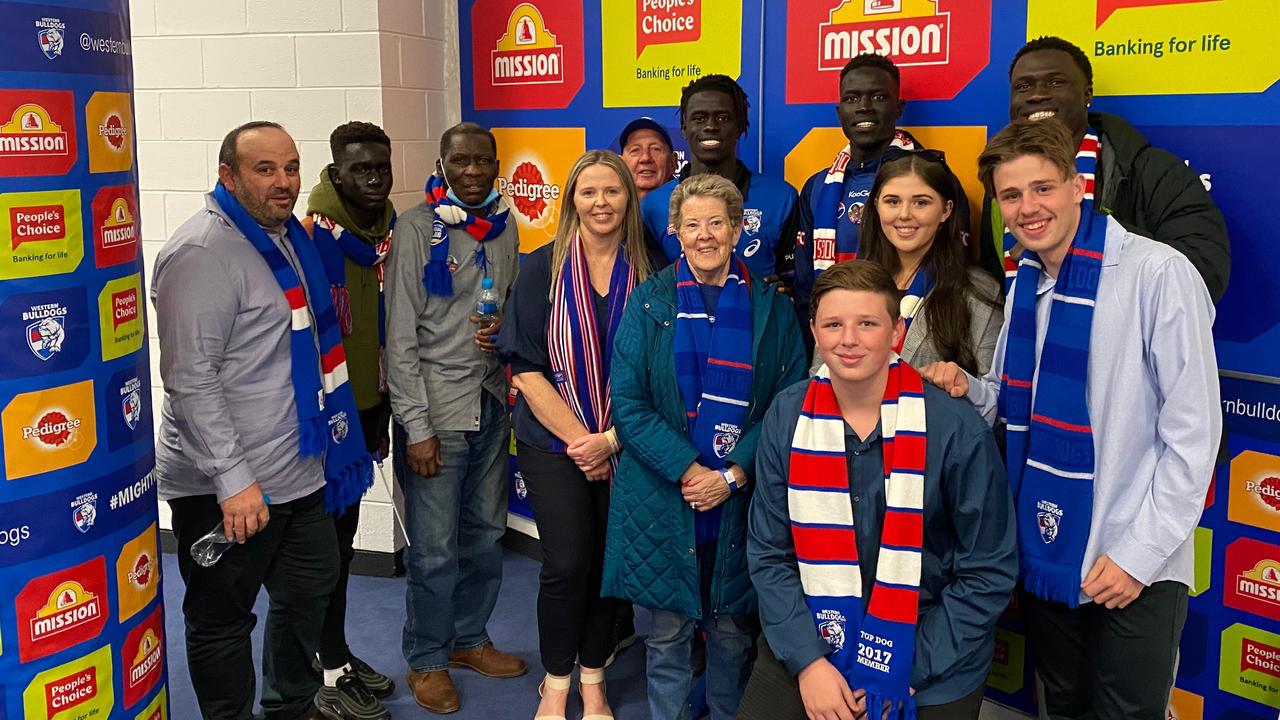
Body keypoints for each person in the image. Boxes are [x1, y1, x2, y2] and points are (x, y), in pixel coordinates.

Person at [922, 119, 1219, 719]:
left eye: (1043, 188)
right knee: (1062, 706)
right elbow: (1011, 402)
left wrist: (1138, 554)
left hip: (1131, 559)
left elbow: (1193, 434)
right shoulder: (1024, 286)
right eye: (1011, 195)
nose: (1028, 208)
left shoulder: (1158, 273)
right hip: (1048, 548)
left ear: (1076, 187)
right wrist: (965, 387)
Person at [154, 121, 374, 720]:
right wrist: (234, 481)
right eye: (266, 169)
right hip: (230, 488)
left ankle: (290, 708)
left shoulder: (285, 239)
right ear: (228, 175)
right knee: (222, 620)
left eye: (292, 168)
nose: (284, 183)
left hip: (300, 472)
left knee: (309, 592)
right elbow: (191, 381)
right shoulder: (201, 254)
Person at [737, 260, 1016, 720]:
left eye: (867, 323)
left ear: (896, 332)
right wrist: (808, 662)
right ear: (814, 330)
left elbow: (987, 573)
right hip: (811, 636)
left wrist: (898, 667)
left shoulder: (954, 427)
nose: (849, 340)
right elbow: (770, 554)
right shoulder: (787, 415)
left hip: (930, 650)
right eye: (833, 324)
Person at [604, 174, 807, 720]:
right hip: (665, 495)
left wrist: (732, 475)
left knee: (733, 634)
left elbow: (788, 405)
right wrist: (689, 470)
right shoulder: (648, 303)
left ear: (739, 229)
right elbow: (628, 402)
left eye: (717, 222)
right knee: (667, 635)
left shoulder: (774, 308)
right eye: (691, 224)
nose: (705, 235)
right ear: (674, 231)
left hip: (741, 498)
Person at [498, 150, 657, 720]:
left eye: (611, 192)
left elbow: (661, 371)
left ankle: (594, 679)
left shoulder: (654, 267)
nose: (600, 203)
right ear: (572, 202)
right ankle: (556, 680)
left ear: (628, 200)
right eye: (588, 192)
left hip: (631, 442)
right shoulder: (541, 267)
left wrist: (612, 439)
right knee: (567, 563)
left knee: (609, 565)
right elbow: (524, 367)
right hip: (552, 442)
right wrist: (582, 441)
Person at [385, 121, 525, 714]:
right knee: (436, 550)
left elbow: (506, 300)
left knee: (487, 537)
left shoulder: (506, 225)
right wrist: (415, 426)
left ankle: (468, 638)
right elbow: (399, 336)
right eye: (460, 160)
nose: (473, 171)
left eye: (483, 161)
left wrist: (503, 328)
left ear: (497, 164)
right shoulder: (418, 228)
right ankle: (426, 658)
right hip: (438, 413)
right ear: (442, 164)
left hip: (492, 400)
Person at [980, 36, 1229, 300]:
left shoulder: (1155, 171)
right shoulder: (1000, 181)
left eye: (1055, 82)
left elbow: (1205, 271)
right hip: (1027, 335)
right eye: (1023, 86)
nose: (1037, 95)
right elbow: (993, 281)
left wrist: (1083, 237)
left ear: (1087, 94)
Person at [301, 120, 396, 720]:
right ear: (336, 174)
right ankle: (326, 668)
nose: (374, 178)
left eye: (382, 167)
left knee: (342, 541)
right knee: (321, 553)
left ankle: (331, 650)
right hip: (320, 417)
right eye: (360, 169)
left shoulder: (385, 234)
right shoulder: (313, 235)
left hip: (367, 402)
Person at [795, 54, 979, 337]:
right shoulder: (817, 186)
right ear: (839, 110)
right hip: (834, 340)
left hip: (919, 336)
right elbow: (806, 285)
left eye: (878, 97)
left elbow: (955, 268)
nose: (864, 108)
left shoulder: (935, 180)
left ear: (899, 107)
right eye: (852, 99)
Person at [640, 74, 800, 284]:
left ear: (741, 126)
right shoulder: (653, 206)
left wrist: (782, 294)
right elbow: (653, 287)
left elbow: (794, 282)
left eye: (723, 118)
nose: (711, 126)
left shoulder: (781, 198)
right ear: (684, 128)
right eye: (699, 118)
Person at [855, 151, 1002, 377]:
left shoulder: (980, 291)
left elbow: (989, 395)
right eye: (892, 201)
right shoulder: (849, 284)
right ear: (876, 206)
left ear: (946, 210)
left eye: (920, 203)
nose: (904, 214)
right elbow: (820, 371)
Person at [619, 117, 678, 200]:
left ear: (673, 162)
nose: (645, 158)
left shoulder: (692, 209)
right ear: (621, 164)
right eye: (635, 150)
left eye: (655, 149)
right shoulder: (608, 209)